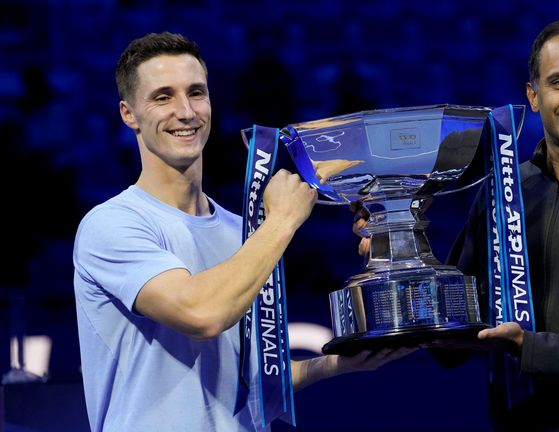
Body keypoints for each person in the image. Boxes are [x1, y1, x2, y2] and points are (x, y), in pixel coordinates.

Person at [354, 16, 559, 431]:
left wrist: (527, 347)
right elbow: (454, 341)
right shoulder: (502, 191)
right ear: (533, 96)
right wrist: (398, 253)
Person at [73, 32, 411, 432]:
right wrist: (282, 221)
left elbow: (243, 379)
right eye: (163, 97)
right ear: (129, 114)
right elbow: (201, 313)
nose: (185, 111)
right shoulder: (111, 224)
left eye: (196, 93)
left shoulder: (241, 232)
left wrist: (331, 364)